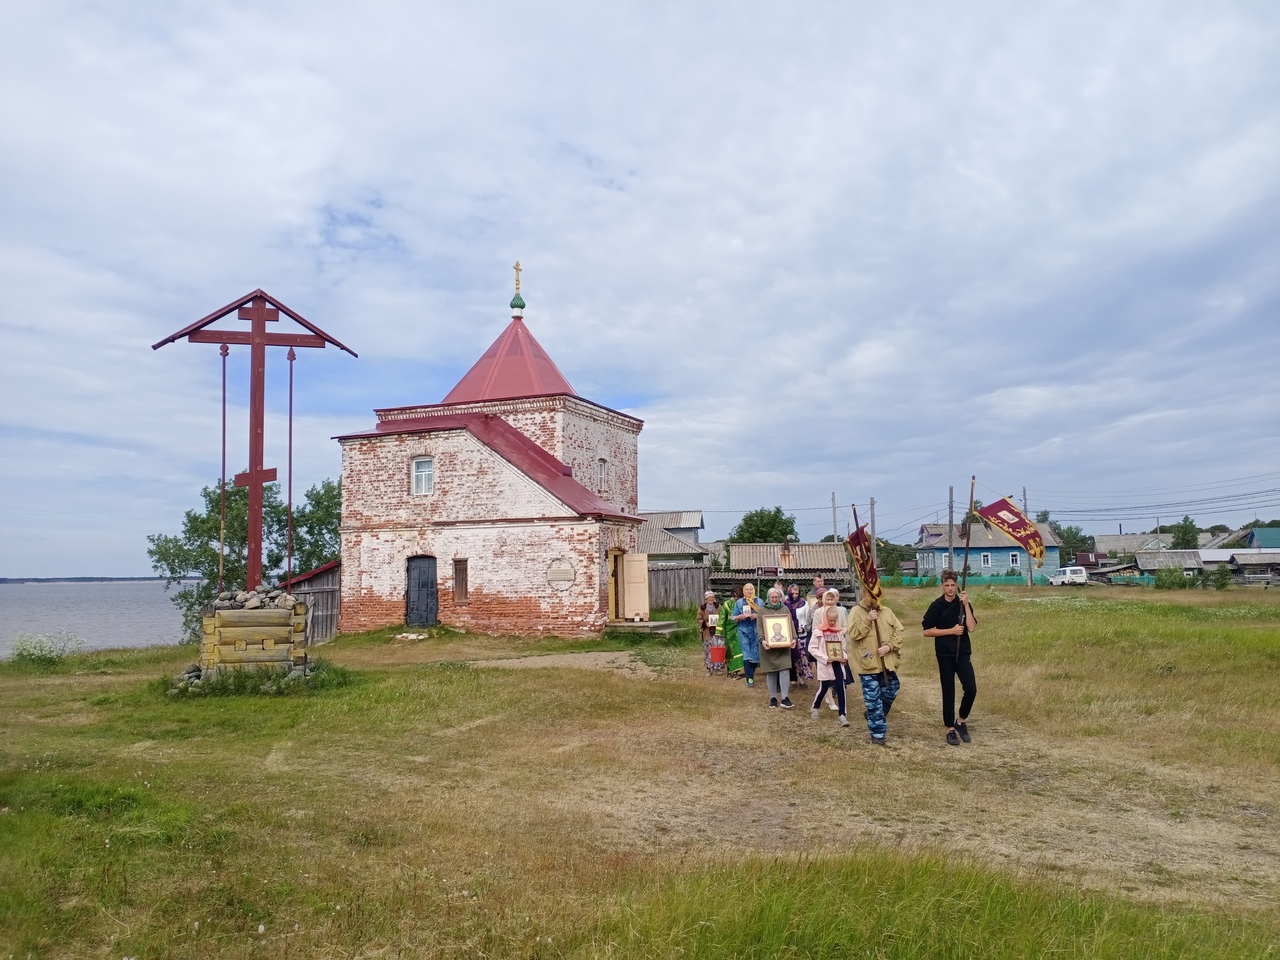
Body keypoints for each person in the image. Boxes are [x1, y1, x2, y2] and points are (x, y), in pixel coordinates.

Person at [922, 569, 978, 746]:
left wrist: (967, 605)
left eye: (953, 585)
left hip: (962, 652)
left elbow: (971, 627)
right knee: (949, 690)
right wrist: (951, 631)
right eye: (947, 585)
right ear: (942, 586)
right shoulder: (936, 605)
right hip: (945, 653)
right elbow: (927, 631)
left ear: (957, 585)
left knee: (971, 688)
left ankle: (960, 721)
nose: (950, 589)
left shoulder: (962, 603)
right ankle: (949, 728)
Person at [846, 594, 905, 746]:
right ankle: (878, 734)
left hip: (886, 663)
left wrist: (889, 646)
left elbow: (899, 631)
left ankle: (873, 716)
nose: (874, 598)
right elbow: (853, 634)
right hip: (868, 664)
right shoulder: (856, 612)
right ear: (864, 595)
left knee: (891, 690)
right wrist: (868, 619)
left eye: (876, 595)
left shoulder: (887, 612)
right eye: (870, 595)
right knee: (874, 700)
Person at [808, 602, 850, 726]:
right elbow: (812, 648)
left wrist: (844, 657)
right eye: (830, 620)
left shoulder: (838, 632)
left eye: (834, 620)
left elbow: (843, 647)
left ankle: (842, 715)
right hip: (825, 663)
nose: (832, 623)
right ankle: (815, 706)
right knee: (824, 687)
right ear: (825, 619)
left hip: (837, 663)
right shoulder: (818, 632)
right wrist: (825, 658)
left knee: (840, 686)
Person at [758, 586, 796, 708]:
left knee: (785, 670)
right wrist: (762, 640)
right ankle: (773, 698)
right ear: (768, 598)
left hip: (783, 647)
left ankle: (785, 698)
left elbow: (791, 625)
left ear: (780, 597)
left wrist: (794, 638)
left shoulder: (785, 609)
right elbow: (759, 628)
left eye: (776, 597)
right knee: (771, 672)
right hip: (768, 647)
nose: (774, 599)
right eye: (772, 597)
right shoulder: (762, 610)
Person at [814, 589, 846, 710]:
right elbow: (815, 630)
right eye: (827, 598)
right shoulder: (818, 612)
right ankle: (824, 701)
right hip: (823, 649)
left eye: (832, 599)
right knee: (825, 680)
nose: (830, 601)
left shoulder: (840, 611)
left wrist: (839, 635)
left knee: (839, 679)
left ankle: (842, 712)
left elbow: (844, 626)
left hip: (837, 647)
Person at [732, 583, 762, 687]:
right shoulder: (739, 602)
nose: (749, 591)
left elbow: (765, 615)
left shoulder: (759, 601)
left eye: (750, 589)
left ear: (753, 590)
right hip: (743, 631)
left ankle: (751, 674)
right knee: (746, 654)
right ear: (744, 591)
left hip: (756, 631)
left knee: (754, 653)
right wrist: (740, 616)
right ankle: (749, 678)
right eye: (747, 589)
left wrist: (756, 615)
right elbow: (733, 617)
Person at [785, 584, 814, 687]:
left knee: (802, 656)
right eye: (793, 593)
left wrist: (803, 626)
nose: (795, 595)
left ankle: (802, 678)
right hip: (790, 633)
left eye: (797, 593)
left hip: (801, 633)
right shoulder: (785, 603)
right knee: (793, 656)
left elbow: (808, 618)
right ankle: (793, 677)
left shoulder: (804, 603)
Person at [697, 590, 724, 674]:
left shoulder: (718, 607)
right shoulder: (702, 608)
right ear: (706, 599)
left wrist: (719, 623)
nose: (711, 599)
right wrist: (705, 623)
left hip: (717, 631)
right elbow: (698, 619)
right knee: (707, 650)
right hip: (707, 632)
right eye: (709, 598)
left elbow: (723, 616)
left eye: (712, 597)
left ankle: (717, 668)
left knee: (717, 649)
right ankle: (709, 668)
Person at [719, 586, 743, 676]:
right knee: (729, 651)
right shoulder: (727, 604)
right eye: (735, 596)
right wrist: (719, 632)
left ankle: (735, 671)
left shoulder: (744, 603)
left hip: (740, 631)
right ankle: (729, 669)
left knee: (738, 651)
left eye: (739, 597)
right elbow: (721, 619)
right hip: (729, 632)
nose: (737, 598)